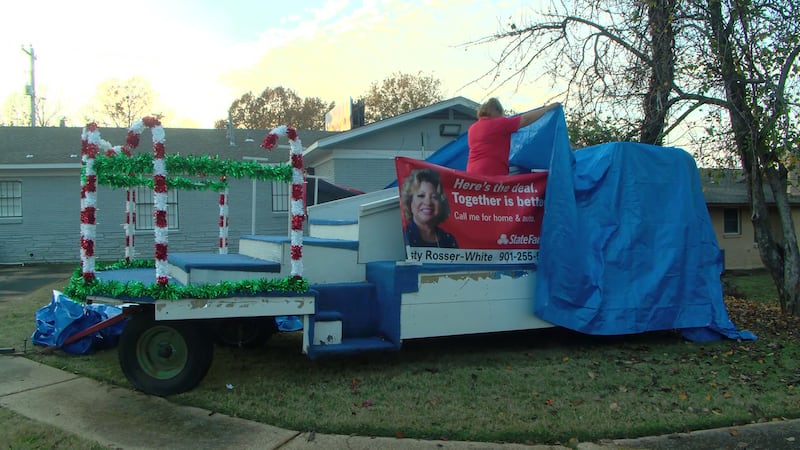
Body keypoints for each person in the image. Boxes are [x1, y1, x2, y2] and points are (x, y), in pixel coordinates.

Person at [466, 98, 561, 176]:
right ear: (495, 111)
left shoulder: (472, 128)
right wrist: (546, 109)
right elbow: (525, 119)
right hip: (492, 173)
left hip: (472, 173)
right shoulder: (498, 123)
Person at [400, 168, 459, 248]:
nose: (428, 202)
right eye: (421, 195)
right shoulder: (403, 238)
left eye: (434, 197)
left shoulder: (448, 240)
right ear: (410, 201)